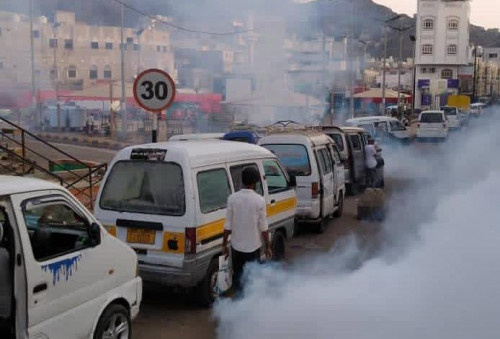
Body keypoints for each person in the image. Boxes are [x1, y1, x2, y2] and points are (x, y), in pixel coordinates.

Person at [222, 167, 272, 293]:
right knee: (252, 279)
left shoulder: (232, 198)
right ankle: (250, 306)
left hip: (236, 247)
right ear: (254, 183)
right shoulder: (259, 200)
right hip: (253, 248)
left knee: (238, 277)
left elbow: (227, 225)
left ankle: (239, 305)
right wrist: (268, 246)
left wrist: (224, 245)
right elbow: (264, 227)